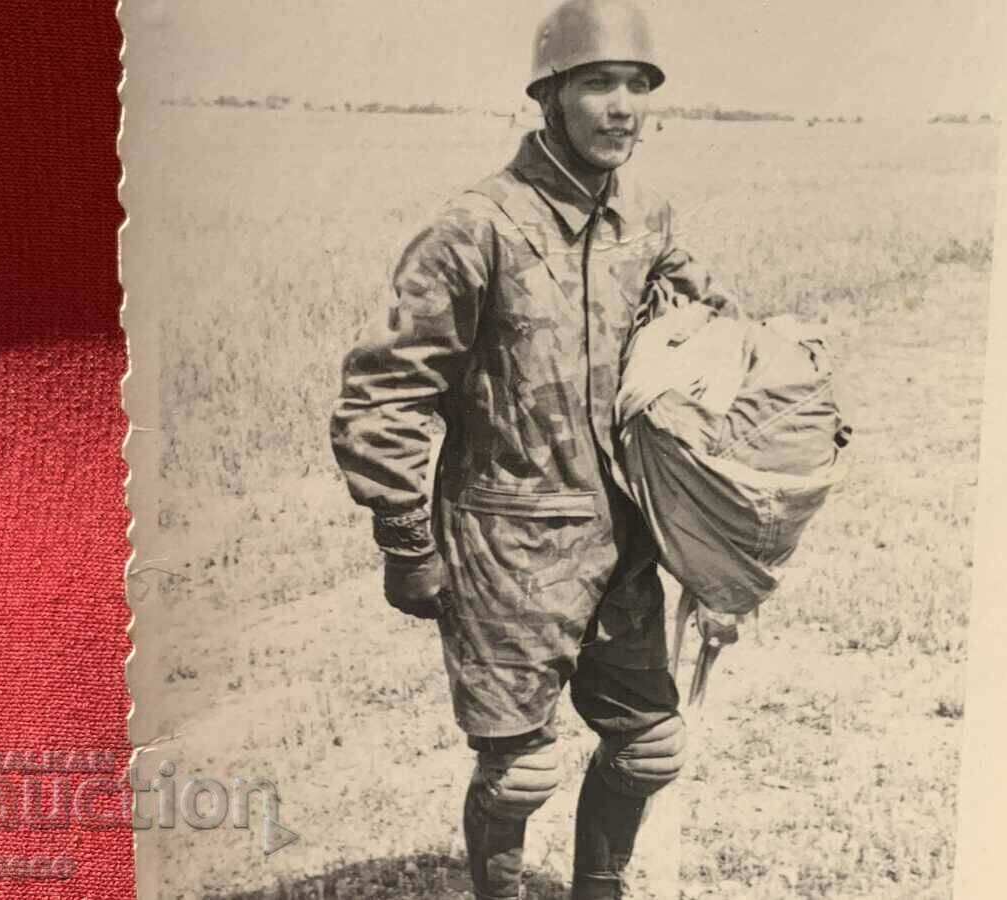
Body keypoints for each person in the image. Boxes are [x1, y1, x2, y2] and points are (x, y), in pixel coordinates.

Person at [330, 2, 737, 896]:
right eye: (598, 82)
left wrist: (725, 535)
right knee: (519, 771)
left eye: (638, 85)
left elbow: (705, 340)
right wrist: (404, 538)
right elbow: (384, 393)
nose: (622, 106)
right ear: (549, 96)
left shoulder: (649, 218)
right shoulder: (476, 228)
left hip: (620, 540)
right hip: (505, 544)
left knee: (650, 744)